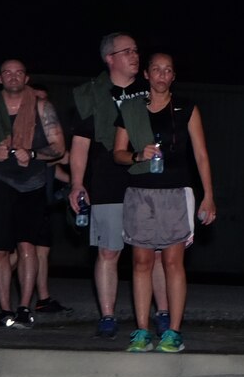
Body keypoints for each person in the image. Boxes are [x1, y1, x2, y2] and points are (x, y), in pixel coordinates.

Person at [110, 52, 216, 353]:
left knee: (173, 262)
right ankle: (141, 331)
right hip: (140, 192)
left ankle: (173, 332)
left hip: (175, 193)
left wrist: (208, 195)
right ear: (146, 74)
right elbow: (117, 153)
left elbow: (201, 155)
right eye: (156, 69)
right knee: (141, 262)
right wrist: (136, 155)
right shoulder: (130, 109)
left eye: (167, 70)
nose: (161, 75)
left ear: (173, 76)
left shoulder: (187, 109)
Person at [69, 32, 169, 340]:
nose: (135, 56)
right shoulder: (91, 93)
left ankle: (163, 313)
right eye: (127, 51)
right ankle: (108, 316)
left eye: (136, 50)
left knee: (153, 252)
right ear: (109, 58)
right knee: (109, 251)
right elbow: (80, 144)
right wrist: (76, 184)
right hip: (106, 180)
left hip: (147, 178)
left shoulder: (149, 89)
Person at [0, 59, 66, 328]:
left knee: (27, 247)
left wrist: (33, 153)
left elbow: (59, 147)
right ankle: (4, 309)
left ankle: (24, 307)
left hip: (33, 184)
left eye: (19, 73)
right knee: (0, 250)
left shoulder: (42, 107)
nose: (13, 77)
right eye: (7, 73)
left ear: (26, 78)